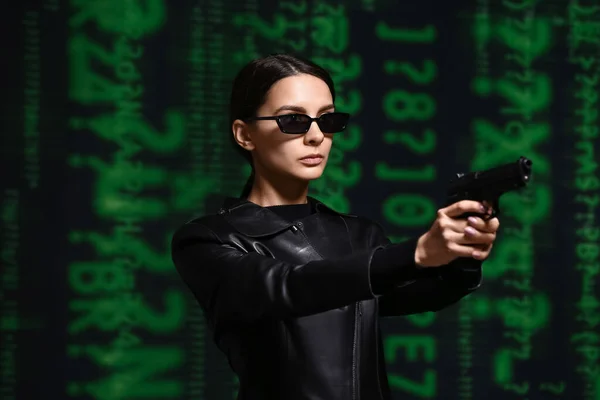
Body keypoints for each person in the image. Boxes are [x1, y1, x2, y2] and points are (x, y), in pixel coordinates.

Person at [171, 54, 500, 400]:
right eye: (293, 120)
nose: (316, 136)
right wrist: (417, 252)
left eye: (327, 120)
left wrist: (465, 253)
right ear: (245, 134)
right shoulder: (208, 241)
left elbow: (424, 293)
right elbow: (288, 287)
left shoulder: (359, 234)